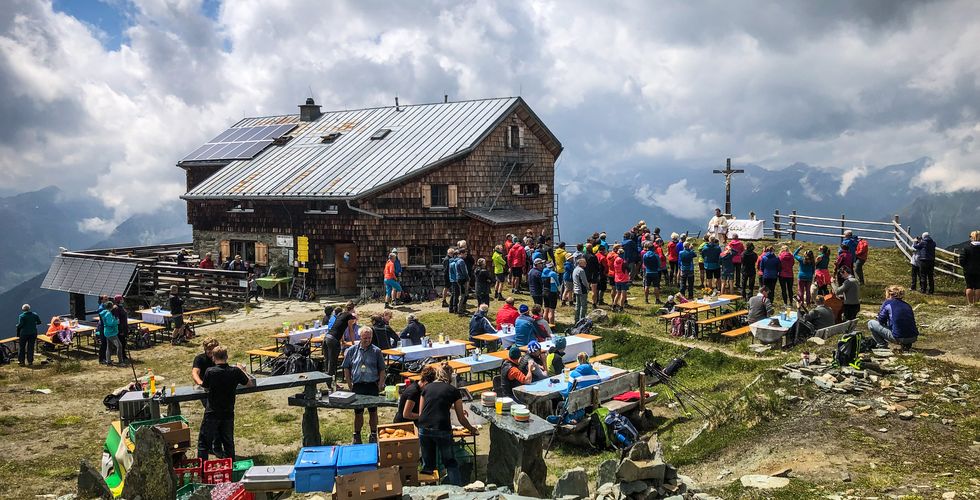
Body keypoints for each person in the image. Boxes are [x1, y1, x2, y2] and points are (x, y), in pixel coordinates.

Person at [418, 364, 478, 486]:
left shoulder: (426, 388)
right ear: (450, 377)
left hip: (424, 428)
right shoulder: (453, 391)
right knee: (450, 462)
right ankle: (456, 491)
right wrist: (471, 429)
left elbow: (421, 413)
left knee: (428, 464)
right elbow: (461, 418)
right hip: (442, 428)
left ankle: (428, 491)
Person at [197, 346, 256, 460]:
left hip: (212, 412)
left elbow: (205, 387)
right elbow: (249, 384)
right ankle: (231, 468)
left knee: (203, 443)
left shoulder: (210, 371)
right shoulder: (235, 371)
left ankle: (202, 470)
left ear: (213, 358)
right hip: (228, 411)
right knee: (228, 443)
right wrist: (243, 371)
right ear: (227, 357)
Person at [341, 327, 386, 443]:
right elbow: (346, 367)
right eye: (365, 338)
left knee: (373, 411)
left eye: (369, 338)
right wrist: (349, 383)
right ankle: (357, 435)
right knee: (358, 413)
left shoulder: (376, 351)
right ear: (360, 337)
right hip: (358, 385)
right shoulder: (352, 350)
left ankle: (373, 434)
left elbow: (382, 369)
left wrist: (381, 383)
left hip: (372, 385)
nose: (367, 340)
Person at [324, 301, 357, 381]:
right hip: (333, 340)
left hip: (327, 337)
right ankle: (332, 383)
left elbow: (339, 328)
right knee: (333, 363)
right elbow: (350, 330)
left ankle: (328, 381)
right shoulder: (350, 316)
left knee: (327, 361)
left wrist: (342, 341)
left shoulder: (340, 314)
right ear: (353, 309)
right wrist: (353, 343)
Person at [961, 230, 980, 306]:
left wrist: (965, 266)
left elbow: (962, 260)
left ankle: (970, 303)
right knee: (978, 287)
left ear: (972, 237)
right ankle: (976, 303)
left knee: (969, 286)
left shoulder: (967, 248)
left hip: (968, 270)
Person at [111, 295, 129, 363]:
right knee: (121, 343)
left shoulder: (121, 307)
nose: (123, 300)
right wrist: (120, 330)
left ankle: (124, 355)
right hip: (120, 328)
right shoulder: (116, 308)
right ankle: (122, 357)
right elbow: (117, 319)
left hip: (124, 327)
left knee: (123, 342)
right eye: (121, 299)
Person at [448, 249, 467, 314]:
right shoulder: (454, 263)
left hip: (453, 279)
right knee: (456, 295)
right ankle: (455, 308)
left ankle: (451, 308)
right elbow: (456, 272)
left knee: (454, 294)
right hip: (455, 280)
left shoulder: (451, 262)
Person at [572, 257, 590, 323]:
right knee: (583, 305)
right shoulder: (581, 270)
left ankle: (576, 319)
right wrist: (588, 287)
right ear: (581, 263)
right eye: (585, 262)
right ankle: (581, 320)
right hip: (582, 290)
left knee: (578, 305)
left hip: (576, 289)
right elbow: (584, 281)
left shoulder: (575, 269)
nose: (586, 263)